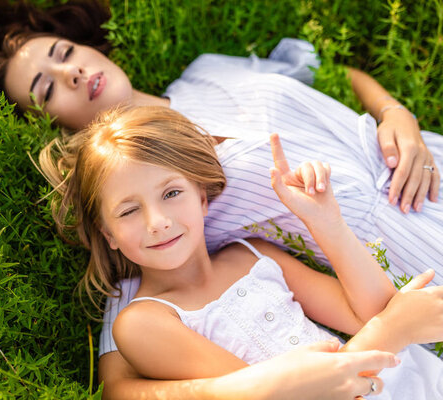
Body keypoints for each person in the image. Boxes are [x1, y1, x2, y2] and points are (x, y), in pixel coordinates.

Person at [0, 1, 443, 397]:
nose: (72, 73)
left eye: (64, 53)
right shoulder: (153, 250)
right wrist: (392, 326)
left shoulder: (206, 74)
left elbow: (335, 72)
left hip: (427, 164)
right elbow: (125, 387)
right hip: (411, 259)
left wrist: (394, 112)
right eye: (48, 87)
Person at [40, 105, 443, 399]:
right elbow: (285, 394)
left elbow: (368, 312)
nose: (157, 221)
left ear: (202, 197)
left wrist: (327, 222)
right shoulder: (142, 323)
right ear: (107, 233)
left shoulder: (252, 254)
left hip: (419, 378)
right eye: (129, 210)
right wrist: (396, 329)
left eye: (172, 193)